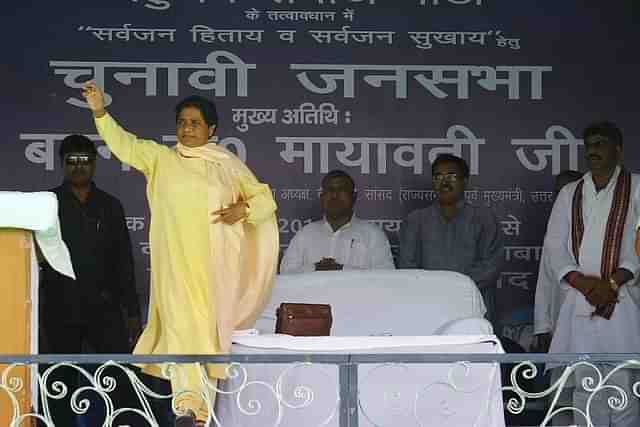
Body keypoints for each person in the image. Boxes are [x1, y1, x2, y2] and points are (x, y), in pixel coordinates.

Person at [81, 82, 279, 427]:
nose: (187, 129)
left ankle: (199, 413)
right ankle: (189, 408)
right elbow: (125, 144)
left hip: (215, 268)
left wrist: (243, 209)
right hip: (175, 267)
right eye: (182, 122)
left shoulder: (226, 164)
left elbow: (265, 199)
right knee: (184, 329)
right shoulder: (162, 159)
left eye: (195, 123)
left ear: (211, 129)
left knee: (208, 336)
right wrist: (100, 112)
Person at [39, 134, 141, 427]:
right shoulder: (48, 204)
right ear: (62, 164)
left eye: (85, 160)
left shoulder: (110, 206)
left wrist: (132, 314)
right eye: (72, 160)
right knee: (58, 379)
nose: (78, 167)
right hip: (61, 306)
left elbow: (124, 263)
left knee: (119, 377)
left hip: (104, 307)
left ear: (94, 164)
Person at [544, 121, 640, 426]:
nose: (593, 151)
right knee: (585, 386)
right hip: (579, 301)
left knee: (623, 386)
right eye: (590, 146)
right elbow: (554, 247)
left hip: (622, 300)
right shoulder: (570, 193)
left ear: (618, 150)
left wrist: (613, 281)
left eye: (600, 144)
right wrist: (584, 283)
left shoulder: (637, 187)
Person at [398, 154, 503, 324]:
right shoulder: (415, 220)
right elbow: (407, 267)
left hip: (473, 306)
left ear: (465, 181)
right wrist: (438, 291)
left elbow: (490, 267)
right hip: (427, 307)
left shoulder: (484, 218)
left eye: (452, 176)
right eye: (438, 176)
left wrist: (454, 289)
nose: (444, 182)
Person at [280, 170, 395, 273]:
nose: (335, 195)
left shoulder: (373, 235)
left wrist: (341, 269)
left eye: (342, 190)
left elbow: (385, 277)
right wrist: (316, 267)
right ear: (322, 197)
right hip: (312, 297)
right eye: (330, 190)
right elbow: (286, 273)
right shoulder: (305, 234)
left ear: (354, 197)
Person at [533, 170, 583, 352]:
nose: (562, 196)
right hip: (560, 317)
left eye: (567, 190)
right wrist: (542, 326)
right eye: (558, 192)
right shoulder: (554, 231)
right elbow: (545, 280)